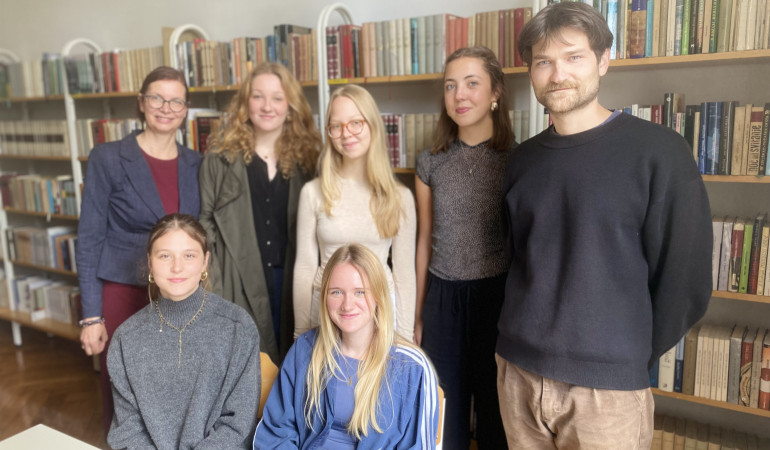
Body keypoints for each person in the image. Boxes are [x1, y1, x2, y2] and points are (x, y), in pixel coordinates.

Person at [496, 3, 712, 448]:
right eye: (543, 61)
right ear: (531, 72)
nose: (558, 74)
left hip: (607, 390)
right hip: (518, 372)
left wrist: (624, 357)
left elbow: (685, 279)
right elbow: (516, 259)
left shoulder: (659, 153)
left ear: (603, 60)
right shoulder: (521, 161)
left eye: (573, 56)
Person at [76, 66, 202, 432]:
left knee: (176, 383)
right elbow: (89, 238)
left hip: (178, 293)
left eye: (176, 101)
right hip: (123, 290)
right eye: (156, 98)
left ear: (185, 109)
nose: (166, 107)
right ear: (141, 102)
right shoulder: (108, 157)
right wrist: (91, 317)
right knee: (123, 383)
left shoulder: (196, 163)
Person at [414, 46, 515, 450]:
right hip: (442, 301)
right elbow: (425, 238)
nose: (460, 95)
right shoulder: (430, 163)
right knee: (444, 414)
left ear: (495, 92)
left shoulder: (518, 160)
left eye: (472, 83)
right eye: (451, 85)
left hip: (499, 298)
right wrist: (418, 314)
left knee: (496, 415)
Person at [255, 244, 438, 448]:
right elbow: (277, 432)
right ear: (325, 297)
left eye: (360, 292)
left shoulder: (413, 368)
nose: (347, 305)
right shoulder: (305, 349)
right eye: (336, 292)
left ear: (378, 295)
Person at [199, 62, 321, 362]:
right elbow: (206, 231)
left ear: (290, 106)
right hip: (238, 280)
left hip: (294, 278)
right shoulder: (218, 160)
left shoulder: (310, 161)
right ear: (245, 103)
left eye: (277, 98)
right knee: (248, 367)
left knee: (295, 361)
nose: (267, 106)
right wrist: (216, 291)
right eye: (258, 96)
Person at [107, 213, 259, 449]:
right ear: (150, 262)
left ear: (205, 261)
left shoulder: (238, 328)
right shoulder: (125, 339)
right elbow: (128, 431)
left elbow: (238, 425)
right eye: (165, 256)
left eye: (189, 255)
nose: (177, 267)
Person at [293, 84, 416, 341]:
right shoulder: (312, 193)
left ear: (372, 125)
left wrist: (404, 336)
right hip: (325, 314)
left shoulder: (400, 197)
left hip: (380, 314)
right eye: (336, 126)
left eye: (355, 123)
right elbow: (305, 267)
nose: (345, 133)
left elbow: (404, 274)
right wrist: (301, 334)